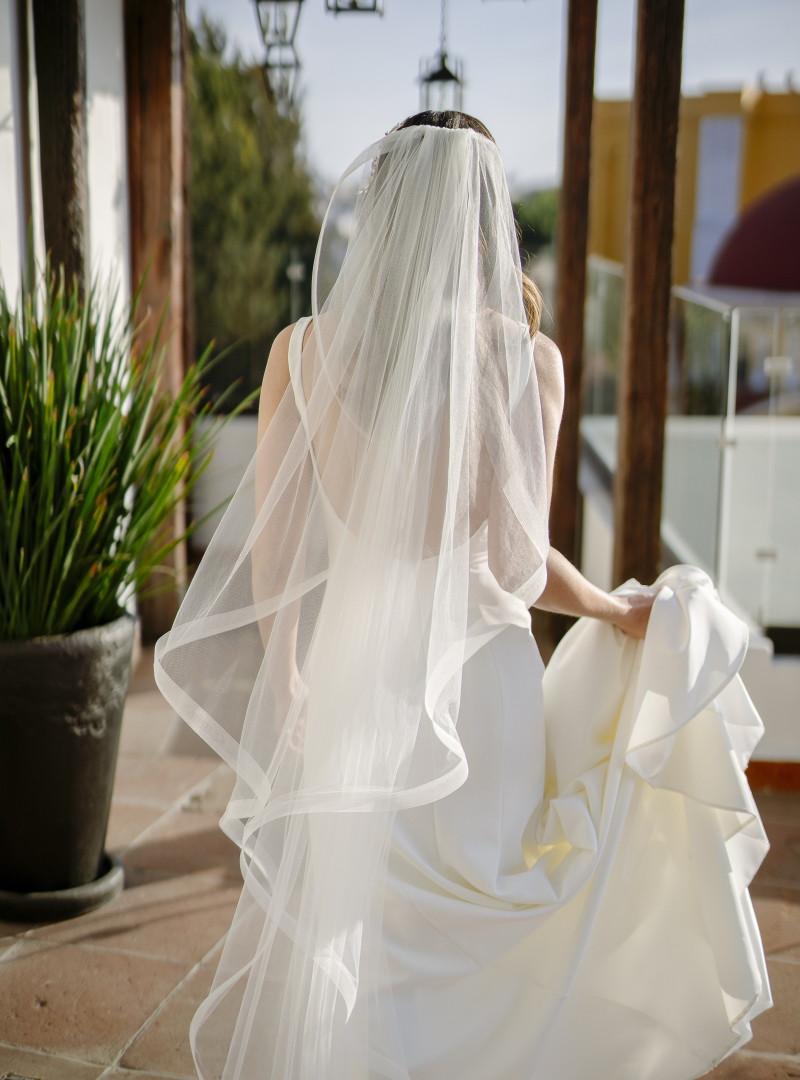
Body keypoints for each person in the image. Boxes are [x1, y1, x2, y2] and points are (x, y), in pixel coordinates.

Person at [155, 112, 770, 1080]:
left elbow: (271, 559)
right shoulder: (526, 358)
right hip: (484, 685)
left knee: (377, 929)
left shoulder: (301, 352)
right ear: (488, 221)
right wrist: (614, 610)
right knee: (495, 913)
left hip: (361, 669)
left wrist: (292, 674)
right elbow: (517, 564)